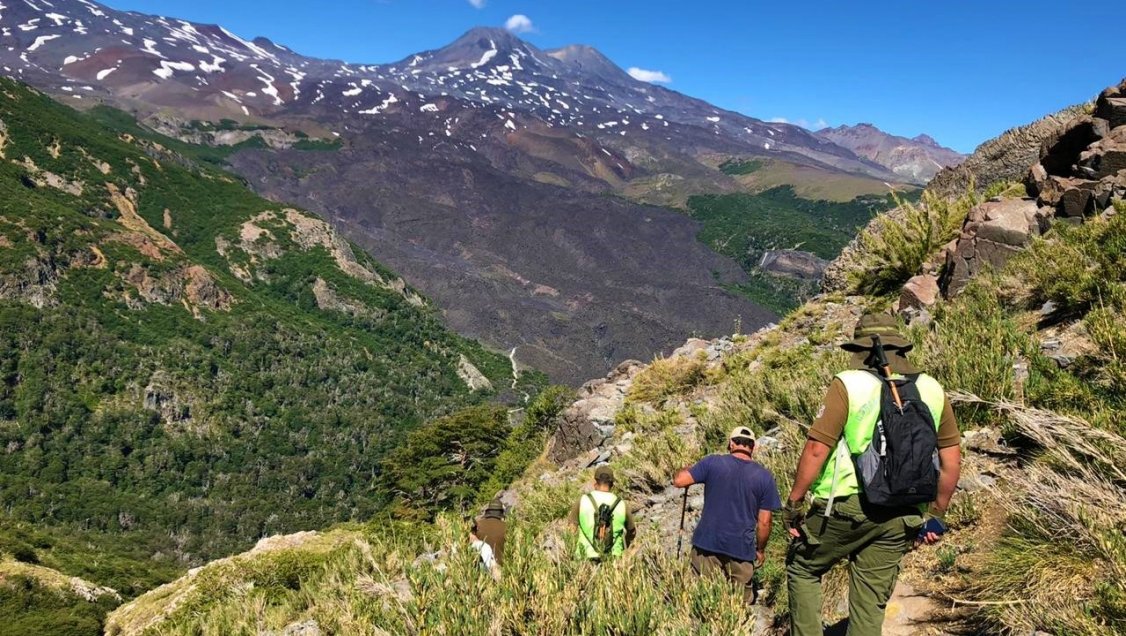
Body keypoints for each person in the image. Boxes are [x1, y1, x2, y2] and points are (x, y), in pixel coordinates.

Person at [783, 313, 962, 636]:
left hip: (847, 506)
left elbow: (816, 449)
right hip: (903, 513)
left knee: (803, 567)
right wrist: (936, 515)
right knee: (869, 604)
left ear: (861, 350)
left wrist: (794, 502)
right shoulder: (932, 389)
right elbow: (951, 460)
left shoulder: (849, 384)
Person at [672, 426, 781, 607]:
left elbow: (679, 480)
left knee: (703, 600)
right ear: (752, 447)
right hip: (741, 549)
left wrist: (686, 468)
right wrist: (760, 550)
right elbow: (764, 522)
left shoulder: (713, 463)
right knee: (740, 606)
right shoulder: (764, 477)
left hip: (707, 544)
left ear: (731, 443)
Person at [569, 465, 636, 561]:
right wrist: (624, 546)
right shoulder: (621, 504)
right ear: (612, 484)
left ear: (595, 483)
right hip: (613, 559)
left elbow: (571, 529)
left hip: (584, 558)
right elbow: (632, 531)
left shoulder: (583, 500)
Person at [475, 499, 507, 567]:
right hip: (499, 567)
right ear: (501, 512)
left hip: (479, 566)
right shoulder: (507, 527)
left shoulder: (477, 525)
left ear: (488, 511)